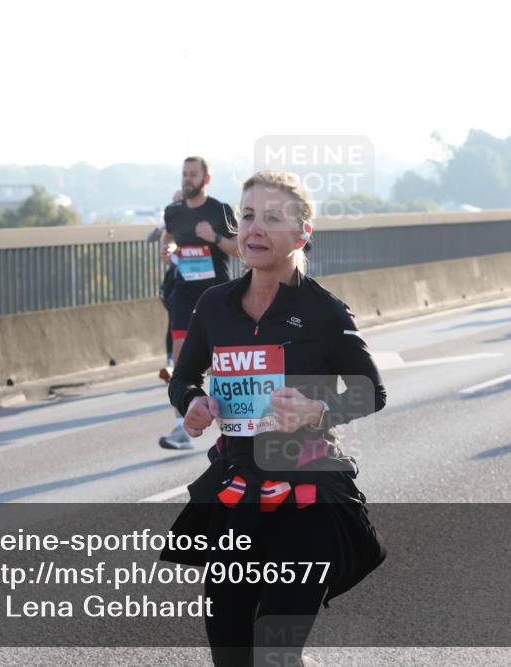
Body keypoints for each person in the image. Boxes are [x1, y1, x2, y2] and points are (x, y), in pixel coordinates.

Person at [161, 170, 387, 666]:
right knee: (232, 656)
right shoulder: (214, 305)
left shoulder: (324, 311)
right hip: (238, 496)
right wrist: (193, 405)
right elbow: (183, 378)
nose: (254, 229)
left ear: (303, 233)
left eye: (272, 218)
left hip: (307, 500)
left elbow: (373, 391)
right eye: (247, 216)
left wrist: (318, 408)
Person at [158, 157, 242, 449]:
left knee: (222, 365)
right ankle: (182, 427)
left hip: (216, 295)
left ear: (206, 179)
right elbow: (168, 235)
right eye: (184, 174)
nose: (187, 179)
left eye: (193, 174)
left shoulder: (219, 210)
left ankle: (235, 427)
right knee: (181, 364)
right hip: (184, 293)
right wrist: (168, 248)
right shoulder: (173, 212)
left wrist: (214, 237)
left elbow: (239, 250)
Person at [150, 189, 184, 381]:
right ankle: (172, 364)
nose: (176, 204)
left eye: (179, 200)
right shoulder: (169, 220)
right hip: (177, 277)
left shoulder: (201, 216)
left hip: (201, 280)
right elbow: (152, 238)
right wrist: (162, 234)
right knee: (174, 321)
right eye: (174, 201)